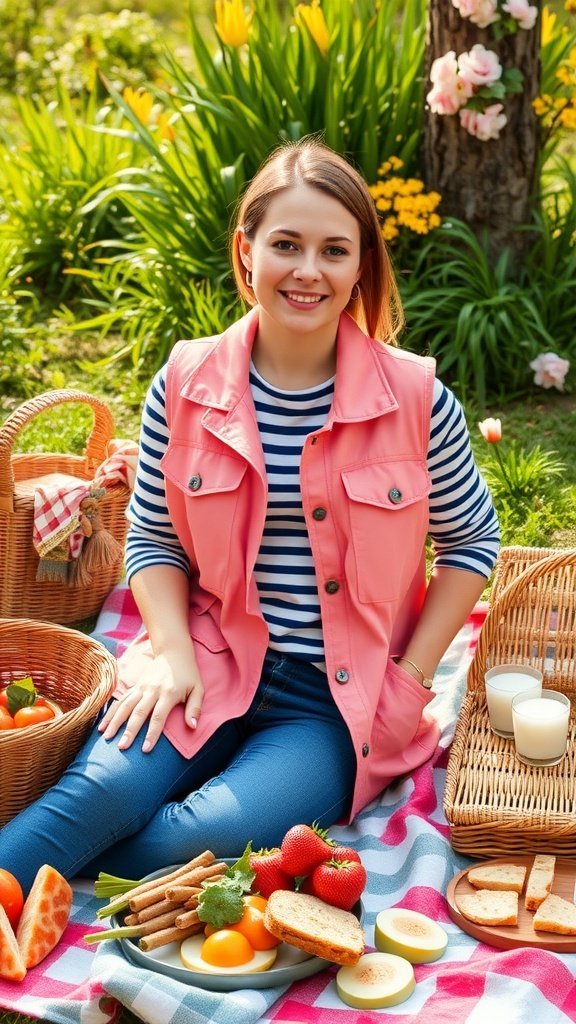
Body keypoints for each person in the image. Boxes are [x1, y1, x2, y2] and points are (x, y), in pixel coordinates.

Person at [0, 139, 499, 892]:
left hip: (336, 698)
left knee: (203, 834)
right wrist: (169, 648)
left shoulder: (418, 400)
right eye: (287, 244)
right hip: (210, 657)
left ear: (361, 264)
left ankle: (51, 862)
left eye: (334, 250)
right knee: (99, 794)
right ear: (247, 250)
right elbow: (155, 536)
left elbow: (471, 543)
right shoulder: (185, 378)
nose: (308, 270)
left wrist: (412, 679)